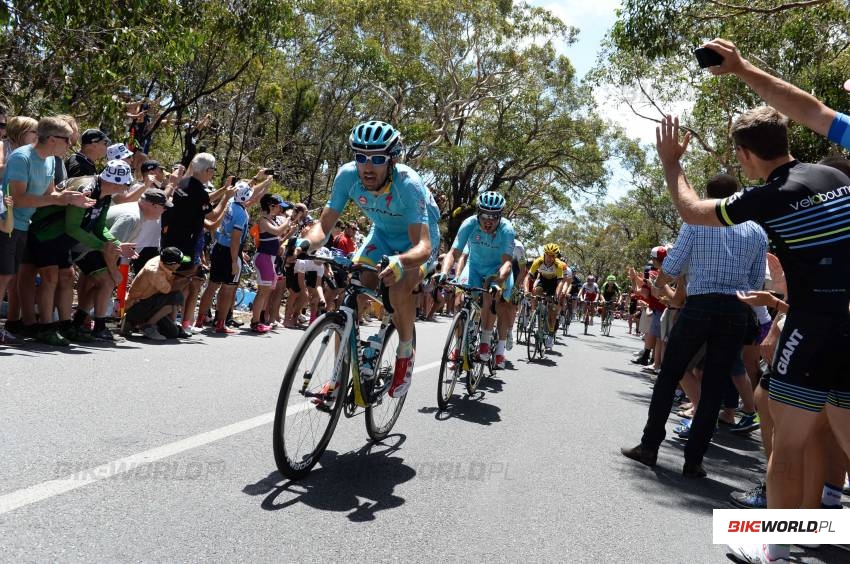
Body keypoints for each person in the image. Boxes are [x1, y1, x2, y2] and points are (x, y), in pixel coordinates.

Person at [654, 101, 850, 562]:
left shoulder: (765, 198)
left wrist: (671, 162)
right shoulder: (836, 178)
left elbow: (691, 209)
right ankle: (818, 517)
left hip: (812, 326)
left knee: (786, 439)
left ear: (744, 156)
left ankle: (775, 547)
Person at [300, 121, 439, 398]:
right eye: (360, 157)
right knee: (356, 288)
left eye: (377, 159)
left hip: (417, 242)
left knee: (399, 287)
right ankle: (339, 376)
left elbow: (422, 246)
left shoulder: (408, 184)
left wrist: (400, 263)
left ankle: (405, 351)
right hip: (382, 236)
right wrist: (304, 242)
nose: (367, 166)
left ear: (393, 159)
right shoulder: (347, 176)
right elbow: (323, 227)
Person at [439, 191, 515, 369]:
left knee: (490, 295)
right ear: (478, 213)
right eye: (485, 216)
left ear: (500, 216)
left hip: (497, 270)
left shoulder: (506, 229)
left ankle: (485, 343)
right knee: (460, 299)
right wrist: (444, 273)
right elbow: (453, 253)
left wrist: (498, 282)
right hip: (474, 267)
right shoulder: (469, 223)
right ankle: (458, 346)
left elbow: (507, 264)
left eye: (494, 217)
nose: (488, 221)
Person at [121, 247, 190, 340]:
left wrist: (192, 272)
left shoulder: (163, 260)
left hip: (151, 302)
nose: (181, 265)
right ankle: (145, 325)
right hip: (138, 306)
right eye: (180, 263)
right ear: (172, 264)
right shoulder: (154, 272)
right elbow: (169, 290)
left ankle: (156, 324)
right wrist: (187, 278)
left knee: (172, 332)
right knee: (176, 296)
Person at [525, 244, 570, 351]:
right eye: (548, 255)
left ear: (555, 256)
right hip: (543, 280)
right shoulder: (538, 261)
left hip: (554, 283)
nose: (550, 258)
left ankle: (550, 334)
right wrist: (527, 290)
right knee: (535, 292)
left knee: (552, 309)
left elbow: (560, 283)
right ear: (544, 254)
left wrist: (556, 296)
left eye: (552, 256)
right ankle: (534, 313)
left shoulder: (559, 265)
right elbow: (528, 277)